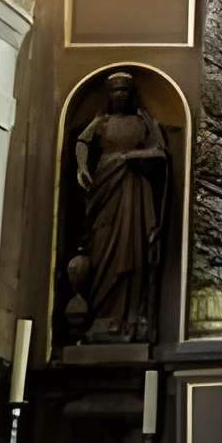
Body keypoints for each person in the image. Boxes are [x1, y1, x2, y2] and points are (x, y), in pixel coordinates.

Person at [71, 68, 169, 341]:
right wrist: (81, 168)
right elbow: (82, 142)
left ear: (131, 94)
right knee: (102, 249)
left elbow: (159, 152)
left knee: (132, 251)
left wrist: (132, 156)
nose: (120, 96)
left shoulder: (143, 123)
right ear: (109, 95)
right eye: (115, 91)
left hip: (134, 191)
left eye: (124, 91)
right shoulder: (101, 122)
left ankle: (126, 319)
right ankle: (101, 317)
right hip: (106, 187)